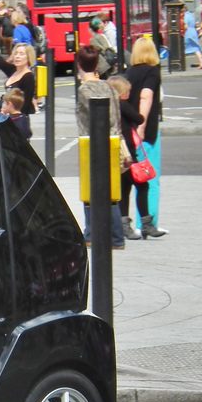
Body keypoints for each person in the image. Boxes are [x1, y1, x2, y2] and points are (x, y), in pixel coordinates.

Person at [74, 45, 124, 249]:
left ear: (79, 64)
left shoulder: (84, 90)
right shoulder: (108, 87)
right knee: (110, 192)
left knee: (90, 190)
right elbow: (117, 116)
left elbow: (89, 119)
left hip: (91, 142)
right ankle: (116, 236)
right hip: (112, 141)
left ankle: (91, 233)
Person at [125, 36, 166, 236]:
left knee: (131, 176)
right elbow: (146, 95)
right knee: (149, 175)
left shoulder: (129, 72)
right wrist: (142, 125)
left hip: (128, 128)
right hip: (145, 130)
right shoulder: (152, 72)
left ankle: (130, 221)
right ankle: (149, 222)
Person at [109, 75, 146, 241]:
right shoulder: (122, 105)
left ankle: (124, 223)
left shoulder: (110, 106)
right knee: (142, 185)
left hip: (117, 154)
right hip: (128, 154)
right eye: (128, 90)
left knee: (124, 189)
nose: (129, 93)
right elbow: (139, 118)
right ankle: (146, 223)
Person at [0, 43, 38, 118]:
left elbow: (25, 104)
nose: (17, 56)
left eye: (21, 54)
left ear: (28, 57)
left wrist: (14, 116)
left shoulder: (28, 77)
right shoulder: (13, 70)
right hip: (6, 116)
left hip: (17, 119)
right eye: (16, 53)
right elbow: (0, 62)